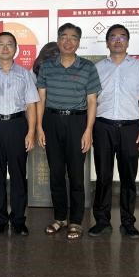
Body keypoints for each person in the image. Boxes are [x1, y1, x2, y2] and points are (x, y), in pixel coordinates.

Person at [36, 23, 101, 240]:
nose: (68, 41)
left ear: (79, 42)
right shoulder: (47, 67)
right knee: (55, 173)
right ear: (58, 40)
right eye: (64, 37)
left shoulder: (87, 67)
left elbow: (92, 101)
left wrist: (88, 130)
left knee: (76, 175)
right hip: (51, 121)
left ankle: (75, 221)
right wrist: (39, 127)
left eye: (73, 37)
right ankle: (60, 218)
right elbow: (41, 99)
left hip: (77, 122)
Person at [89, 24, 139, 239]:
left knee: (128, 177)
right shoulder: (97, 68)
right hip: (103, 126)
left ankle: (128, 222)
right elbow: (91, 100)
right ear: (107, 42)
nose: (118, 40)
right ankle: (102, 221)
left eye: (122, 37)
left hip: (130, 128)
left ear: (128, 41)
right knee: (103, 176)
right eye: (113, 37)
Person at [0, 32, 39, 236]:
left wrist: (31, 132)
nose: (5, 48)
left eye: (9, 44)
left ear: (16, 49)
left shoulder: (25, 74)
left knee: (19, 175)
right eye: (0, 44)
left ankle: (18, 220)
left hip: (17, 125)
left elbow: (31, 105)